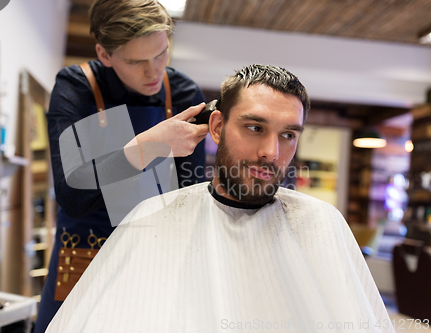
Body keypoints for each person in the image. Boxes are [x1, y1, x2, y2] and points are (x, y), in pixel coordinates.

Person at [45, 64, 394, 333]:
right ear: (215, 128)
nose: (271, 153)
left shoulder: (321, 222)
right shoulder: (153, 217)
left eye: (288, 135)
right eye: (255, 128)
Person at [34, 0, 209, 331]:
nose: (154, 71)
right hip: (85, 252)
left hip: (154, 258)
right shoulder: (78, 88)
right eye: (136, 61)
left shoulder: (183, 93)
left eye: (161, 54)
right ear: (104, 55)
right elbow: (73, 194)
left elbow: (191, 198)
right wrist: (149, 145)